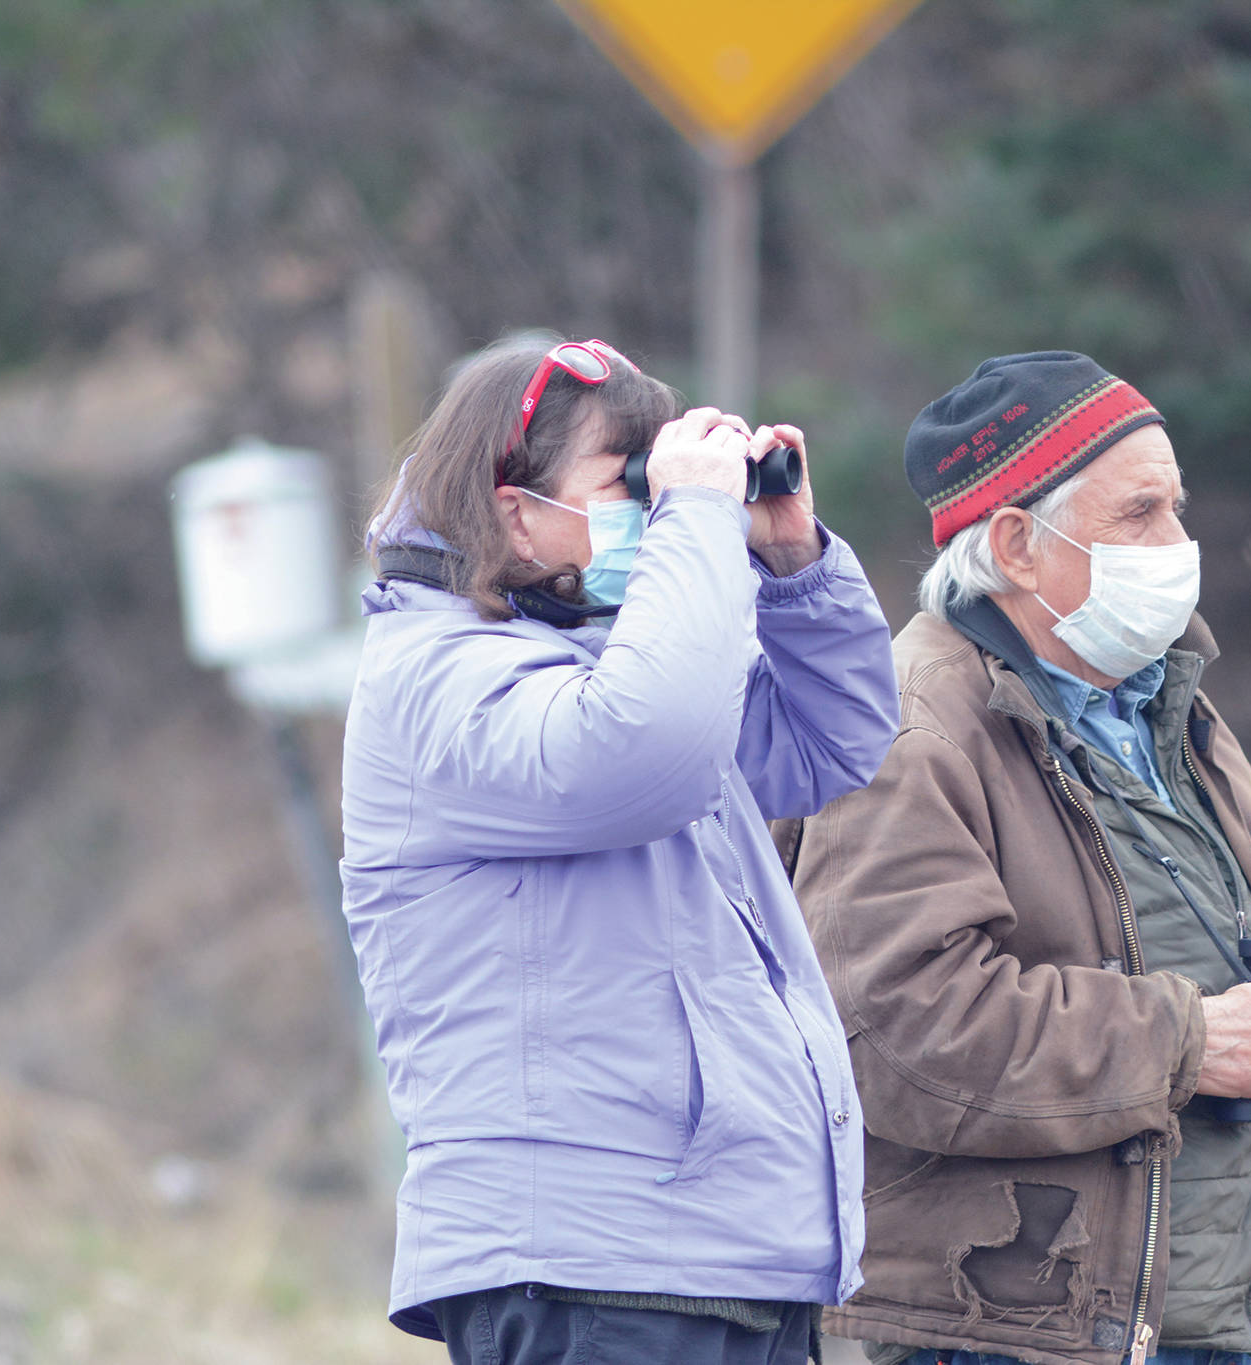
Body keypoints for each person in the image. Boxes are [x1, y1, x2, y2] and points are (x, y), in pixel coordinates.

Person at [776, 352, 1251, 1365]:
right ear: (1014, 546)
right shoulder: (908, 726)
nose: (1177, 545)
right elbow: (897, 1029)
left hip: (1189, 1321)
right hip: (1015, 1332)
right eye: (1138, 516)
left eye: (1176, 509)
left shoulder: (1166, 703)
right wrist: (1185, 1041)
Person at [340, 335, 900, 1365]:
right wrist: (691, 517)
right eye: (627, 483)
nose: (657, 506)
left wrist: (789, 562)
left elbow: (832, 745)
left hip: (726, 1255)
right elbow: (643, 753)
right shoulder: (434, 674)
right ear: (513, 509)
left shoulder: (625, 662)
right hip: (587, 1267)